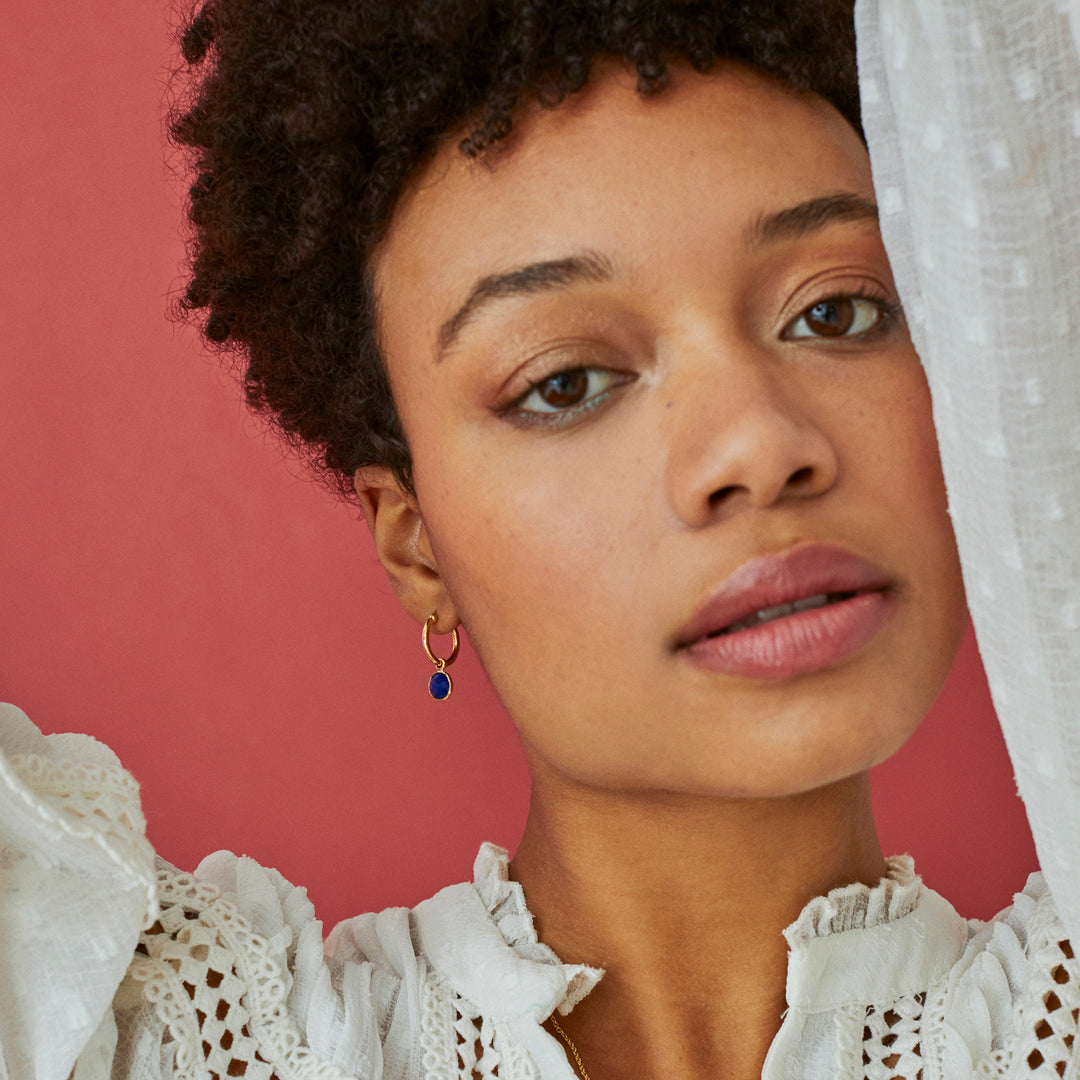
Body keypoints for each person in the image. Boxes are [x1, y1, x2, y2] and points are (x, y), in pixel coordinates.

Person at [1, 0, 1077, 1078]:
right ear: (418, 547)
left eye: (836, 312)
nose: (757, 443)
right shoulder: (147, 1040)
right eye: (566, 383)